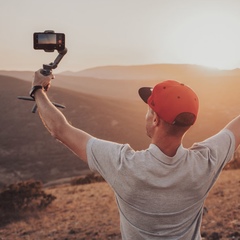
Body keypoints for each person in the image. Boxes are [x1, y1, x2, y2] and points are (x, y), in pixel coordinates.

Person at [31, 69, 239, 240]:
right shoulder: (206, 162)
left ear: (155, 120)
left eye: (149, 110)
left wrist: (38, 89)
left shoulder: (124, 165)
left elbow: (60, 129)